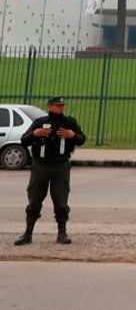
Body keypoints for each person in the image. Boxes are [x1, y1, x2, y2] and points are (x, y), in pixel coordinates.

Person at [15, 96, 86, 245]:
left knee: (61, 201)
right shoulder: (40, 122)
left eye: (62, 106)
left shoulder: (69, 123)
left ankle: (62, 233)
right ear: (50, 106)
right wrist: (35, 134)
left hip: (61, 166)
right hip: (40, 166)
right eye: (58, 106)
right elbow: (24, 140)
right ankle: (28, 233)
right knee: (34, 200)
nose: (61, 108)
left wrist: (72, 135)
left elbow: (82, 140)